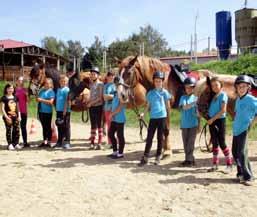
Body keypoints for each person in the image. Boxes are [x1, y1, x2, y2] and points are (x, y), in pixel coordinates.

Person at [138, 71, 171, 166]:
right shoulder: (150, 93)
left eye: (159, 81)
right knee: (149, 137)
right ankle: (145, 156)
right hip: (153, 118)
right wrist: (143, 114)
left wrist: (168, 120)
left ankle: (158, 156)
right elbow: (148, 106)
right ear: (154, 82)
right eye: (156, 81)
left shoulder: (165, 93)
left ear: (162, 82)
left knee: (160, 138)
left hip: (162, 118)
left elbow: (167, 106)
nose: (158, 83)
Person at [232, 75, 257, 186]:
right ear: (236, 88)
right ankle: (241, 173)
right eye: (239, 86)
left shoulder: (251, 99)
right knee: (235, 152)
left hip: (243, 129)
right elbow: (237, 113)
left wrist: (252, 122)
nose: (241, 88)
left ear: (248, 87)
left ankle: (249, 176)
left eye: (244, 86)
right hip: (236, 129)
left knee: (242, 153)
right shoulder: (238, 99)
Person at [207, 77, 232, 173]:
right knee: (214, 143)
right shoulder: (214, 96)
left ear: (221, 86)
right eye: (213, 86)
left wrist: (212, 119)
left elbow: (223, 110)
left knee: (222, 142)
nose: (214, 87)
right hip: (212, 121)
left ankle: (229, 164)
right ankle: (215, 164)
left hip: (219, 121)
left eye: (216, 85)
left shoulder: (223, 95)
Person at [179, 77, 199, 166]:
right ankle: (190, 159)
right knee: (185, 143)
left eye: (190, 87)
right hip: (184, 124)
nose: (188, 89)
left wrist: (199, 123)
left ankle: (189, 160)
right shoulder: (183, 98)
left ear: (193, 88)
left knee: (191, 143)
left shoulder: (196, 98)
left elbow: (198, 113)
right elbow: (184, 107)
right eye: (186, 87)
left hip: (193, 124)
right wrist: (193, 103)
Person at [107, 76, 127, 158]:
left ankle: (120, 153)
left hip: (120, 118)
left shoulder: (123, 94)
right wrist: (112, 113)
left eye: (118, 84)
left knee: (120, 135)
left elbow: (121, 105)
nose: (117, 85)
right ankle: (115, 151)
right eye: (116, 84)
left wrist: (112, 114)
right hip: (115, 117)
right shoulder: (115, 93)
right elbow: (114, 105)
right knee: (110, 133)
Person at [1, 83, 22, 150]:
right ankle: (10, 144)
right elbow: (2, 109)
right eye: (9, 88)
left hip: (15, 116)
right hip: (8, 117)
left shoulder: (15, 97)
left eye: (12, 88)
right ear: (6, 89)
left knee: (17, 130)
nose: (10, 90)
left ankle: (16, 143)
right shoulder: (4, 98)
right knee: (9, 130)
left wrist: (19, 116)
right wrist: (7, 117)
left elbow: (18, 108)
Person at [87, 67, 104, 150]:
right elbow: (91, 96)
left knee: (99, 125)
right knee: (93, 125)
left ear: (98, 75)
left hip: (98, 106)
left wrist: (91, 103)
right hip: (92, 107)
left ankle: (99, 142)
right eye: (92, 74)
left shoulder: (101, 84)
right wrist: (88, 102)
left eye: (94, 74)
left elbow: (100, 97)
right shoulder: (91, 85)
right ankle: (92, 142)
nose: (93, 75)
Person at [37, 78, 55, 147]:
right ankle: (45, 141)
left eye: (48, 83)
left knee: (48, 127)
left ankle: (49, 141)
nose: (46, 85)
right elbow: (37, 99)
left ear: (51, 84)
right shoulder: (42, 91)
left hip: (48, 112)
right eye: (45, 83)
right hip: (41, 111)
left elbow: (51, 102)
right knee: (44, 127)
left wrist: (41, 100)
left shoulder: (51, 92)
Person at [55, 75, 71, 149]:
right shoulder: (58, 90)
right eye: (61, 81)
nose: (63, 82)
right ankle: (59, 141)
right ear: (59, 81)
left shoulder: (67, 90)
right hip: (58, 110)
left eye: (64, 81)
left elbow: (67, 101)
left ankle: (67, 142)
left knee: (66, 126)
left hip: (65, 111)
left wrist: (65, 110)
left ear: (67, 82)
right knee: (59, 125)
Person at [15, 76, 29, 147]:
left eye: (22, 80)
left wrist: (27, 96)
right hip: (15, 111)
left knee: (23, 127)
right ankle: (15, 142)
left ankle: (25, 142)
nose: (21, 82)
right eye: (19, 80)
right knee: (16, 127)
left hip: (24, 111)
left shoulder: (25, 90)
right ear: (16, 81)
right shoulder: (13, 90)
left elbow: (28, 101)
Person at [103, 71, 116, 147]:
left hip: (115, 109)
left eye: (113, 76)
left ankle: (116, 141)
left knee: (116, 125)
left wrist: (109, 96)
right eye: (110, 76)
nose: (111, 77)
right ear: (107, 77)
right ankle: (110, 142)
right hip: (108, 108)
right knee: (109, 126)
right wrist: (115, 96)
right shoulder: (106, 86)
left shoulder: (116, 85)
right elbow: (105, 98)